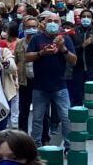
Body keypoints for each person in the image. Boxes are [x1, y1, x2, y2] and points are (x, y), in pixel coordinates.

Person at [25, 12, 77, 148]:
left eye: (56, 21)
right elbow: (27, 57)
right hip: (39, 86)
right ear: (44, 23)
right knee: (37, 119)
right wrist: (41, 53)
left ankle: (69, 146)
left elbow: (73, 60)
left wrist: (63, 49)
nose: (52, 24)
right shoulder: (37, 39)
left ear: (60, 24)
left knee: (66, 117)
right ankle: (36, 146)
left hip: (60, 86)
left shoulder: (65, 39)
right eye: (49, 21)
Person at [68, 9, 93, 107]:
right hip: (77, 68)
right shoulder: (74, 32)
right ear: (80, 18)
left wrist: (91, 43)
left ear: (92, 19)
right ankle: (78, 114)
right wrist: (82, 46)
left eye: (88, 17)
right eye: (84, 16)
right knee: (77, 94)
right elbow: (71, 50)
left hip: (92, 68)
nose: (86, 18)